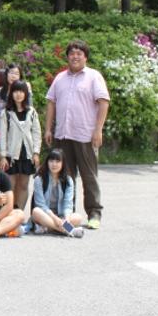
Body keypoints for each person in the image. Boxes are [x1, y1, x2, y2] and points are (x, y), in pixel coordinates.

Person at [44, 39, 110, 229]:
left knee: (89, 177)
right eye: (72, 53)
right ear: (67, 57)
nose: (75, 56)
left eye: (79, 53)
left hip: (85, 135)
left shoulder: (93, 77)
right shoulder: (60, 78)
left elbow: (103, 102)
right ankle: (68, 213)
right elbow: (51, 103)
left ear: (85, 57)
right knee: (66, 176)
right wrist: (48, 129)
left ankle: (94, 213)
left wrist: (98, 130)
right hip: (63, 135)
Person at [0, 80, 41, 213]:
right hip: (11, 155)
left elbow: (36, 133)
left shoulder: (32, 112)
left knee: (23, 185)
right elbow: (2, 135)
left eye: (22, 91)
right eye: (16, 91)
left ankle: (20, 213)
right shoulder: (6, 113)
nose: (19, 94)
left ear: (26, 94)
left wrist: (36, 152)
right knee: (10, 185)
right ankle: (8, 213)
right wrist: (3, 155)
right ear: (11, 93)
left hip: (27, 154)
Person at [31, 149, 85, 237]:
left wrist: (67, 219)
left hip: (61, 216)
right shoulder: (39, 179)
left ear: (63, 163)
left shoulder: (68, 180)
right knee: (36, 212)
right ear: (47, 162)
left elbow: (68, 204)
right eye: (51, 161)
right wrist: (54, 218)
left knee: (78, 217)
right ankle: (69, 230)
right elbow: (40, 205)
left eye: (57, 161)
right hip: (45, 214)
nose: (54, 164)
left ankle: (48, 228)